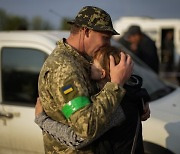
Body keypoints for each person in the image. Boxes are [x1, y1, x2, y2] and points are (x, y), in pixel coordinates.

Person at [38, 6, 133, 153]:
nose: (108, 44)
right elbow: (86, 127)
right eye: (105, 38)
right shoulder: (64, 68)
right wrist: (116, 85)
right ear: (86, 31)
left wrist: (138, 100)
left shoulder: (81, 59)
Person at [37, 46, 150, 153]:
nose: (89, 65)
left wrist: (42, 120)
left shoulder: (115, 105)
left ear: (102, 73)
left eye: (93, 63)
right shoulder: (127, 92)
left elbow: (76, 139)